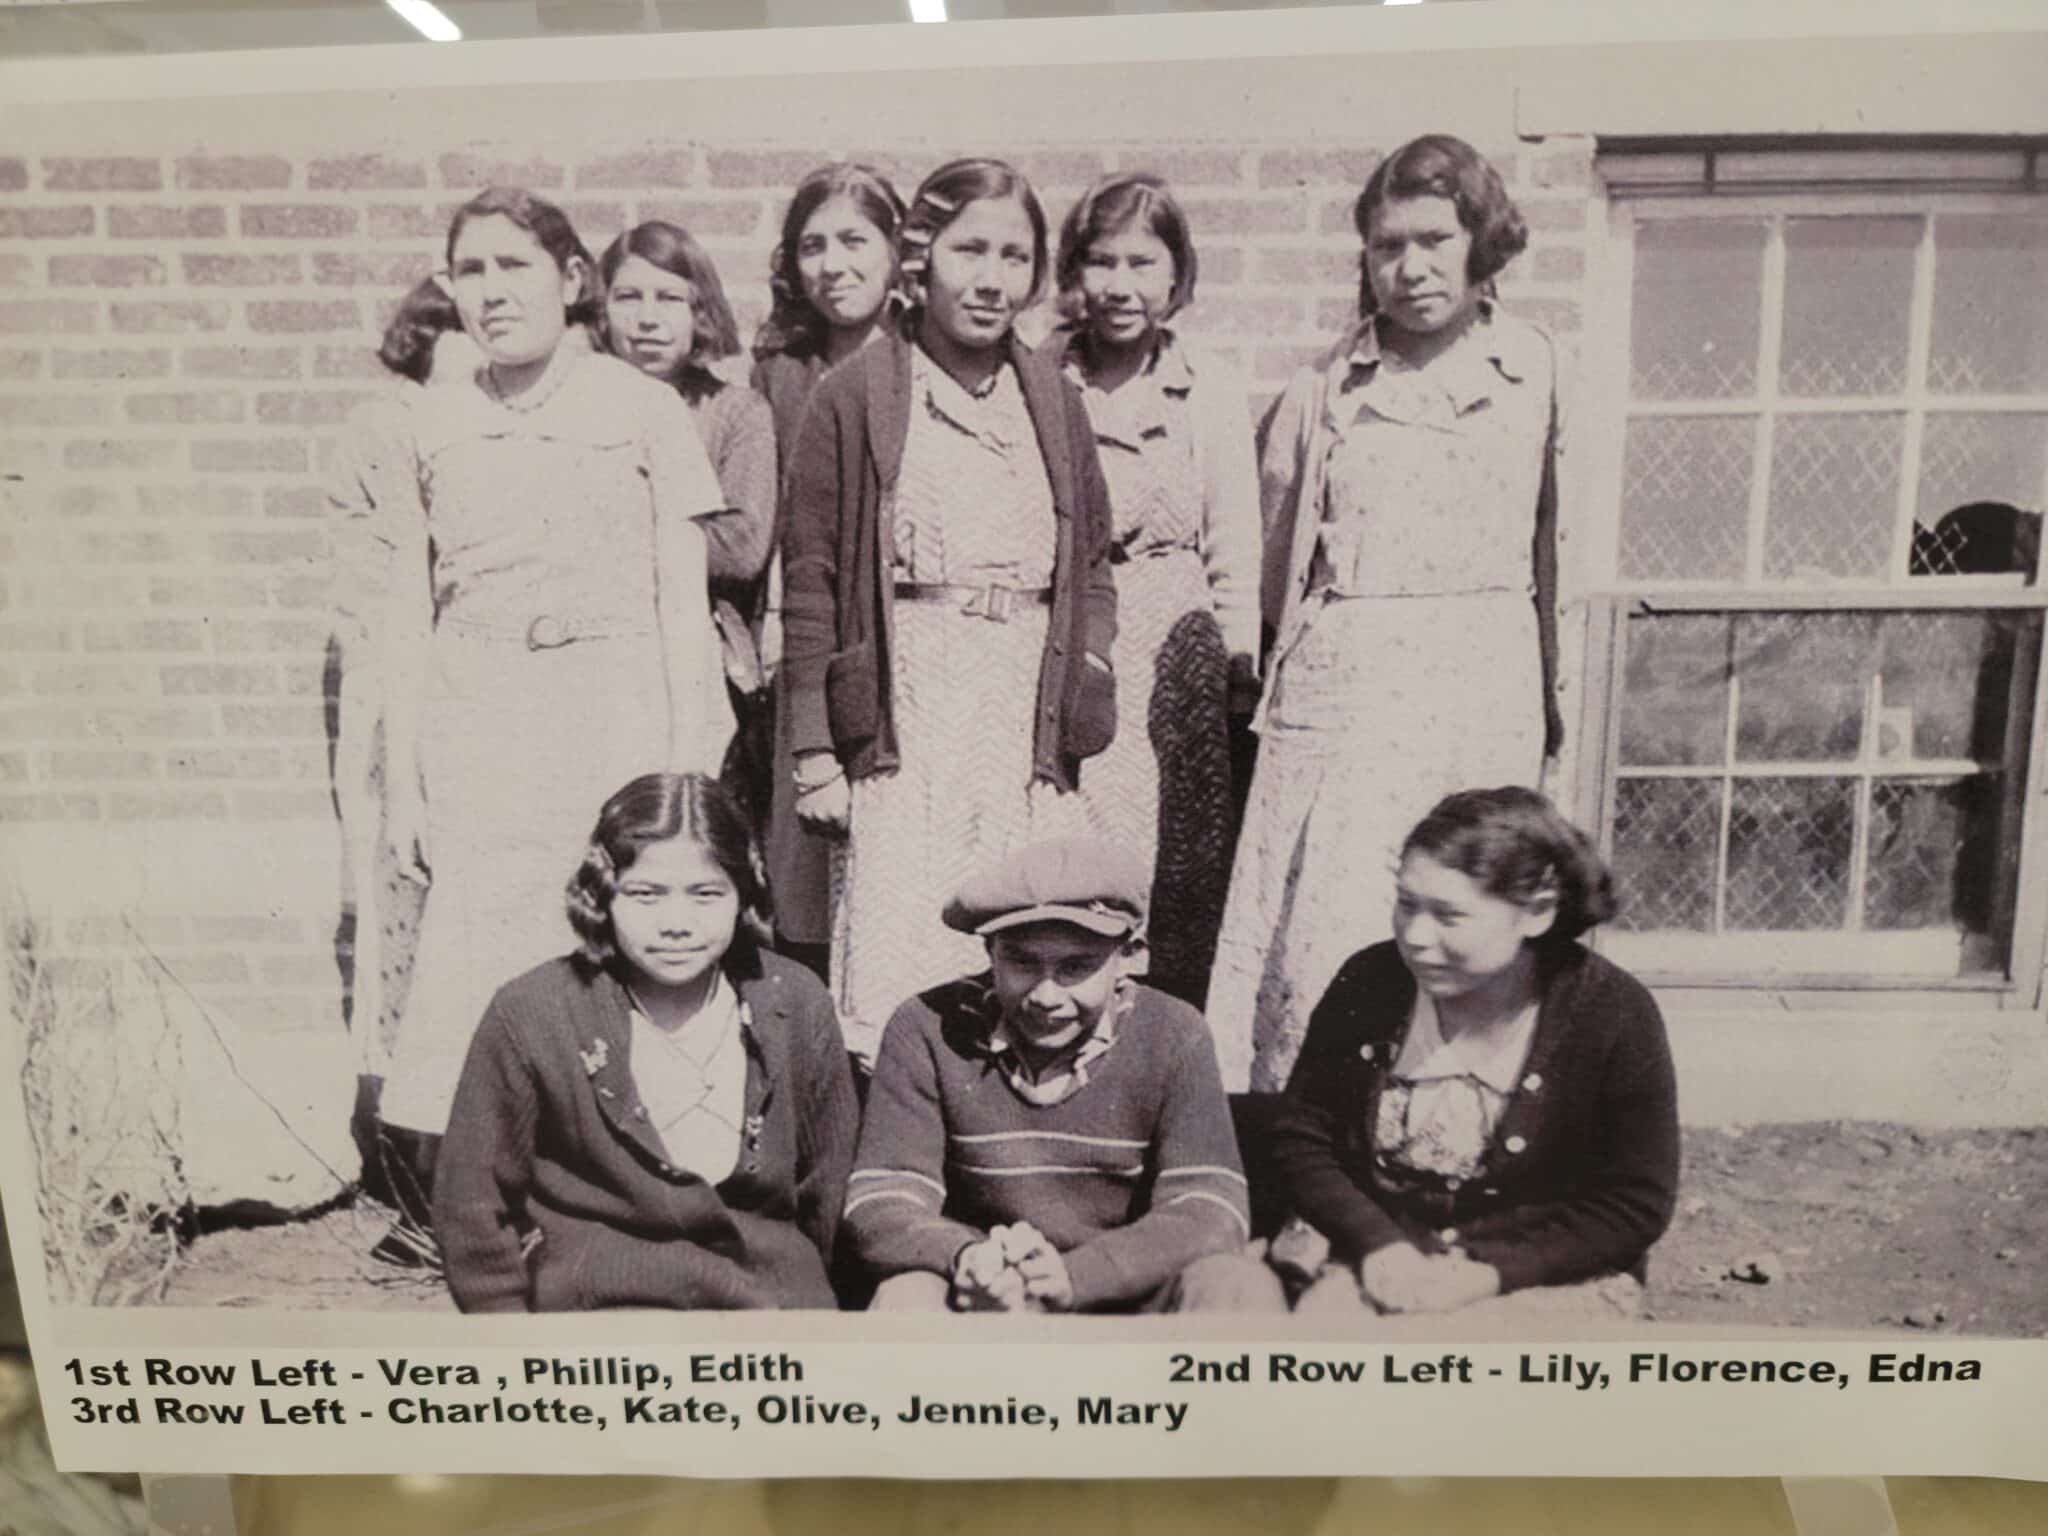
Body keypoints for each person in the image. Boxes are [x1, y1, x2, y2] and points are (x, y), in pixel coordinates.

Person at [369, 187, 736, 1265]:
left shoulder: (641, 408)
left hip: (611, 705)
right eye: (470, 271)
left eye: (513, 267)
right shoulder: (429, 422)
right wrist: (405, 783)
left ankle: (609, 1201)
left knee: (604, 942)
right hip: (476, 711)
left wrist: (685, 764)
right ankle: (470, 1207)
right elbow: (405, 616)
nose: (491, 293)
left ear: (572, 280)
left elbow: (681, 601)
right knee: (477, 952)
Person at [1209, 134, 1567, 1093]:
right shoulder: (1325, 388)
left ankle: (1464, 1124)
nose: (1411, 268)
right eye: (1387, 246)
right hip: (1351, 689)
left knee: (1473, 905)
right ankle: (1316, 1131)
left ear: (1480, 240)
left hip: (1480, 685)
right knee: (1339, 916)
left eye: (1435, 240)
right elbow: (1277, 554)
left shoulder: (1537, 372)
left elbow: (1558, 544)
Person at [780, 157, 1118, 1068]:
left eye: (1015, 256)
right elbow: (809, 585)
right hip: (911, 710)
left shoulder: (1054, 398)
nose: (992, 278)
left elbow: (1094, 562)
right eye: (971, 250)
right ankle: (895, 1131)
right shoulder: (856, 394)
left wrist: (1090, 665)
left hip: (1020, 718)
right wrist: (816, 755)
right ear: (922, 255)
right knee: (904, 947)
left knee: (1025, 941)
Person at [434, 773, 858, 1311]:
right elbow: (471, 1205)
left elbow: (827, 1192)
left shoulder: (794, 1002)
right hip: (604, 1309)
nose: (676, 923)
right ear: (602, 894)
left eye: (706, 894)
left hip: (770, 1308)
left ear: (743, 893)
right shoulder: (533, 1012)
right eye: (645, 894)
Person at [1266, 787, 1678, 1322]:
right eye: (1406, 904)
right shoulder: (1370, 982)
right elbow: (1302, 1139)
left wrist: (1488, 1273)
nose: (1416, 935)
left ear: (1536, 913)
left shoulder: (1613, 1013)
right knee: (1320, 1348)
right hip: (1390, 1258)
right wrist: (1376, 1243)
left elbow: (1635, 1203)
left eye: (1449, 915)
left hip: (1547, 1273)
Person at [844, 838, 1284, 1313]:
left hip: (1129, 1290)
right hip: (985, 1291)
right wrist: (967, 1257)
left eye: (1076, 967)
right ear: (990, 950)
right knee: (905, 1296)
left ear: (1128, 957)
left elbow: (1211, 1208)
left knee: (1237, 1286)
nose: (1046, 996)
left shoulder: (1174, 1032)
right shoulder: (927, 1026)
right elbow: (883, 1197)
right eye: (1021, 961)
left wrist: (1077, 1276)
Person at [1045, 172, 1261, 1005]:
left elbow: (1233, 542)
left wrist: (1236, 672)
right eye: (1102, 262)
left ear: (1176, 275)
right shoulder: (1043, 376)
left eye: (1142, 263)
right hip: (1074, 635)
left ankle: (1154, 1023)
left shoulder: (1207, 387)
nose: (1120, 285)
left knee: (1178, 857)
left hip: (1176, 651)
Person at [327, 276, 476, 1222]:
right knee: (410, 920)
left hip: (492, 697)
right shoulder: (387, 433)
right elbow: (371, 594)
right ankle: (417, 1162)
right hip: (407, 701)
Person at [750, 163, 907, 977]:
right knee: (806, 860)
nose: (833, 265)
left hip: (904, 639)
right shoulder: (781, 374)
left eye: (854, 241)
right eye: (813, 246)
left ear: (896, 251)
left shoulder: (924, 360)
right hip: (806, 642)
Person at [597, 220, 779, 827]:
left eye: (669, 298)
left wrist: (619, 534)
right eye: (628, 297)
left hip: (701, 649)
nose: (647, 319)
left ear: (700, 310)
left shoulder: (734, 412)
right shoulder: (581, 407)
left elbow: (743, 544)